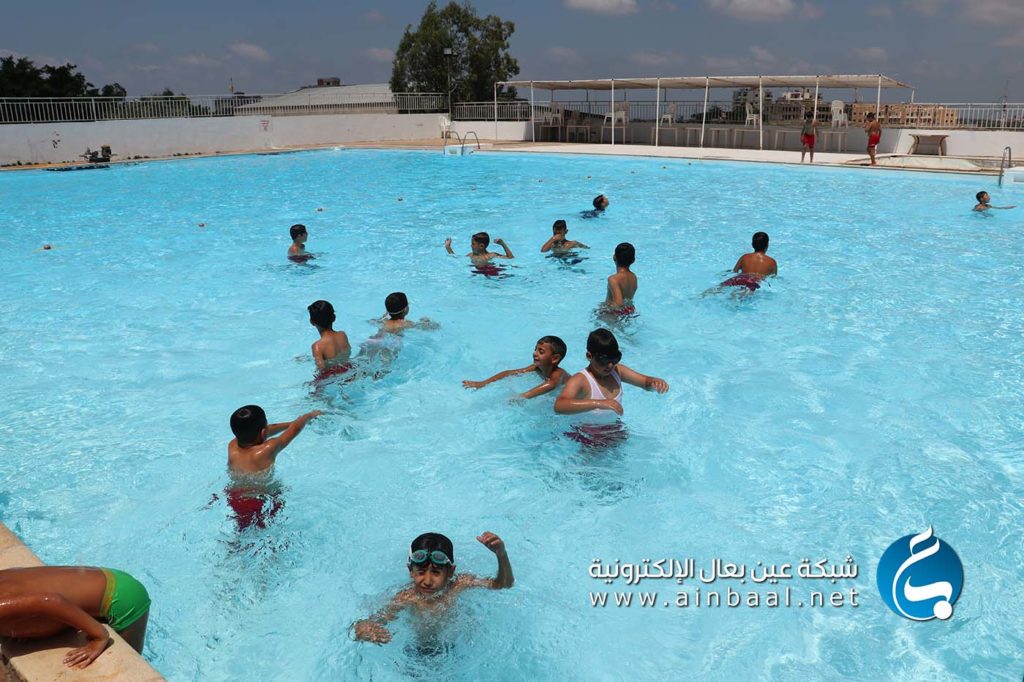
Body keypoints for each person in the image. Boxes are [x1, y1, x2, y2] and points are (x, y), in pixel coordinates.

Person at [353, 531, 513, 644]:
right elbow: (372, 621)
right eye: (421, 572)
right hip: (417, 648)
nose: (427, 581)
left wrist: (501, 554)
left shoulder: (459, 584)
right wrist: (363, 629)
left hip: (453, 645)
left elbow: (503, 584)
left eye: (436, 572)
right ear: (411, 571)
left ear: (450, 571)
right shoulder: (407, 597)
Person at [0, 566, 150, 669]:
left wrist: (99, 636)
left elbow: (51, 601)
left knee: (130, 667)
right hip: (103, 577)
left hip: (122, 598)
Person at [225, 405, 321, 530]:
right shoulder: (267, 449)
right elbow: (295, 429)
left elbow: (263, 431)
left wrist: (290, 423)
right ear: (263, 432)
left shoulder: (232, 445)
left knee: (243, 529)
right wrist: (308, 416)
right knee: (267, 530)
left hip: (235, 497)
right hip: (259, 499)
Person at [554, 329, 669, 417]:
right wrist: (599, 403)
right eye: (604, 360)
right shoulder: (580, 380)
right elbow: (559, 406)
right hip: (585, 434)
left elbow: (644, 382)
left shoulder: (617, 371)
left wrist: (654, 382)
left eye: (614, 359)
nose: (610, 365)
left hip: (613, 430)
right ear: (589, 356)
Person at [462, 335, 569, 399]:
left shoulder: (558, 374)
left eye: (541, 351)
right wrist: (482, 383)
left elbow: (551, 384)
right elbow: (508, 373)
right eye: (535, 349)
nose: (535, 353)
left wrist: (523, 396)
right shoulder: (537, 368)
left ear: (554, 358)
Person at [308, 300, 352, 381]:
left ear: (311, 322)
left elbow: (321, 370)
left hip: (333, 377)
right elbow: (347, 354)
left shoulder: (317, 346)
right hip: (349, 370)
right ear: (334, 318)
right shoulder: (342, 335)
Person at [603, 242, 638, 315]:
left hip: (614, 313)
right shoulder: (633, 277)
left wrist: (604, 309)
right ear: (633, 260)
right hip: (630, 310)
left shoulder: (613, 279)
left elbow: (619, 303)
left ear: (614, 257)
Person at [444, 232, 514, 264]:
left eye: (473, 244)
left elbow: (510, 258)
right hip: (477, 274)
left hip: (492, 272)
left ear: (481, 246)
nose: (471, 245)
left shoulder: (491, 255)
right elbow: (456, 258)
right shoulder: (470, 255)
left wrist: (503, 244)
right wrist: (448, 247)